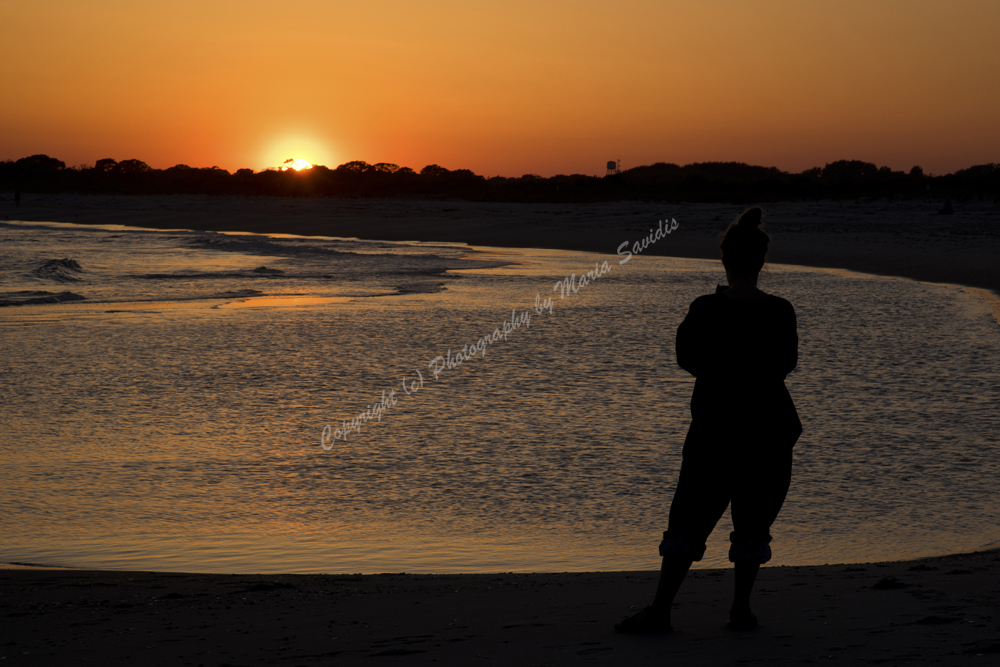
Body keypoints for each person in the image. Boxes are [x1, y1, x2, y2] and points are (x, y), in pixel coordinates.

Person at [616, 206, 802, 634]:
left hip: (715, 431)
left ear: (725, 260)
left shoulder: (705, 308)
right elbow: (785, 364)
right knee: (753, 526)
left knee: (688, 521)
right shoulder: (780, 311)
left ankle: (661, 610)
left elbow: (687, 359)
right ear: (761, 261)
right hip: (769, 431)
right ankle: (740, 609)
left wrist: (724, 369)